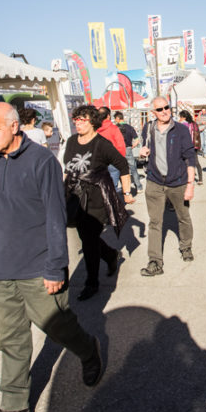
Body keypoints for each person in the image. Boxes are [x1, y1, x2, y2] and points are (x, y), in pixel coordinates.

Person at [0, 103, 104, 412]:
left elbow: (56, 218)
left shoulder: (41, 161)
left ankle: (89, 350)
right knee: (11, 340)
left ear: (14, 127)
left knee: (57, 328)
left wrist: (56, 266)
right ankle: (14, 405)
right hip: (2, 270)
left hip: (38, 268)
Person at [63, 105, 135, 301]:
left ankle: (91, 283)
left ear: (93, 121)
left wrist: (126, 191)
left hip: (96, 199)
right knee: (88, 238)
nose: (78, 123)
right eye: (76, 119)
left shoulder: (101, 144)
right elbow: (68, 169)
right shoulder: (71, 141)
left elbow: (122, 165)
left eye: (82, 119)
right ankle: (111, 255)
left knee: (88, 241)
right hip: (75, 197)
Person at [138, 97, 196, 276]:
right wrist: (141, 152)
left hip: (178, 182)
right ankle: (155, 261)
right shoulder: (148, 129)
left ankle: (186, 246)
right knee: (155, 222)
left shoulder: (181, 130)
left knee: (183, 217)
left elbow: (190, 157)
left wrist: (190, 185)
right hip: (154, 181)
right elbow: (144, 150)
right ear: (153, 113)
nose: (164, 111)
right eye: (160, 109)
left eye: (167, 107)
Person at [97, 106, 127, 193]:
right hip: (113, 161)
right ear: (108, 116)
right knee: (113, 187)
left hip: (99, 161)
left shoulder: (95, 130)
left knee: (101, 185)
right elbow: (121, 145)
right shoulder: (113, 129)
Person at [114, 111, 142, 196]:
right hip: (128, 149)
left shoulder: (115, 128)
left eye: (115, 119)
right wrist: (132, 146)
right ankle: (139, 187)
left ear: (118, 118)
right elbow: (137, 140)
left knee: (120, 169)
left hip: (118, 150)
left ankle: (125, 188)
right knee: (133, 169)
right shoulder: (130, 127)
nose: (115, 120)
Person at [179, 110, 204, 185]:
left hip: (189, 146)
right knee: (194, 162)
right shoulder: (193, 123)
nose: (180, 118)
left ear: (184, 117)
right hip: (193, 146)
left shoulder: (184, 124)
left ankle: (194, 179)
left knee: (190, 162)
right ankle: (199, 179)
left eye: (181, 117)